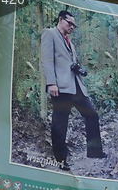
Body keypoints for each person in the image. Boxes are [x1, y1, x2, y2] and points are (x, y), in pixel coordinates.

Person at [41, 10, 106, 171]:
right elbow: (47, 60)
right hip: (60, 88)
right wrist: (51, 83)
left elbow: (68, 63)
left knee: (92, 115)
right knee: (60, 123)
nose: (72, 27)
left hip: (76, 87)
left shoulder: (69, 41)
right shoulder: (49, 33)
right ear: (60, 19)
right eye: (70, 23)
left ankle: (94, 151)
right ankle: (61, 159)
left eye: (74, 25)